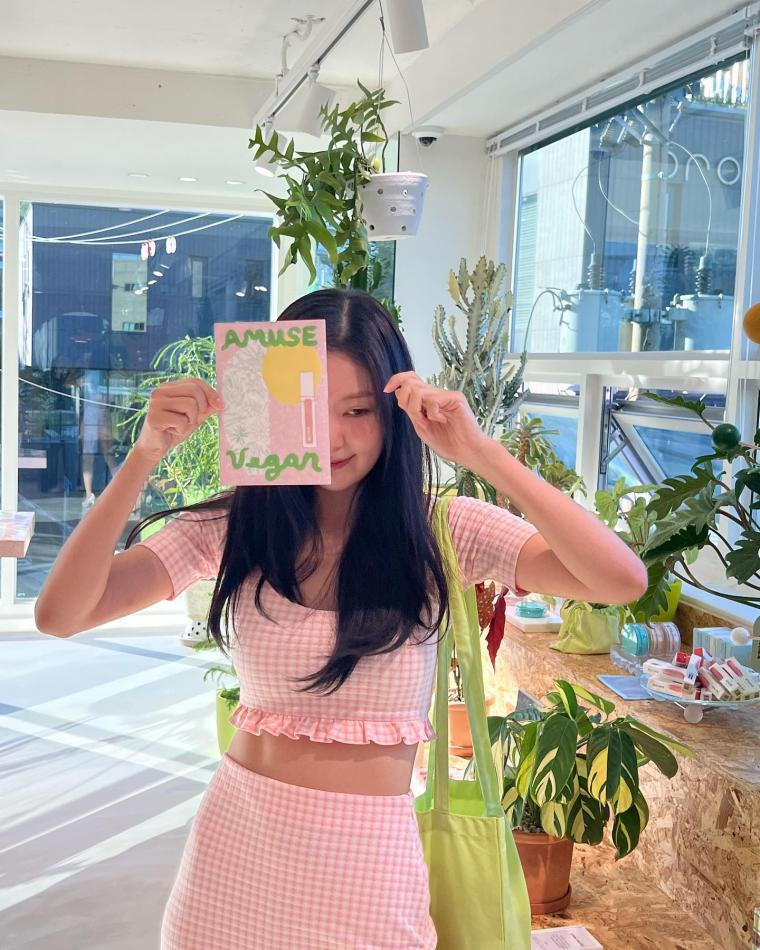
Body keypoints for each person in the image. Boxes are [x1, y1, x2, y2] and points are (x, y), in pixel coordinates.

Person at [34, 288, 648, 949]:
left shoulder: (441, 528)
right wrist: (144, 454)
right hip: (234, 857)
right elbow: (61, 614)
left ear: (393, 415)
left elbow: (618, 580)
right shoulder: (235, 527)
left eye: (357, 410)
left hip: (369, 871)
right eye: (308, 409)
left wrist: (480, 454)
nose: (332, 437)